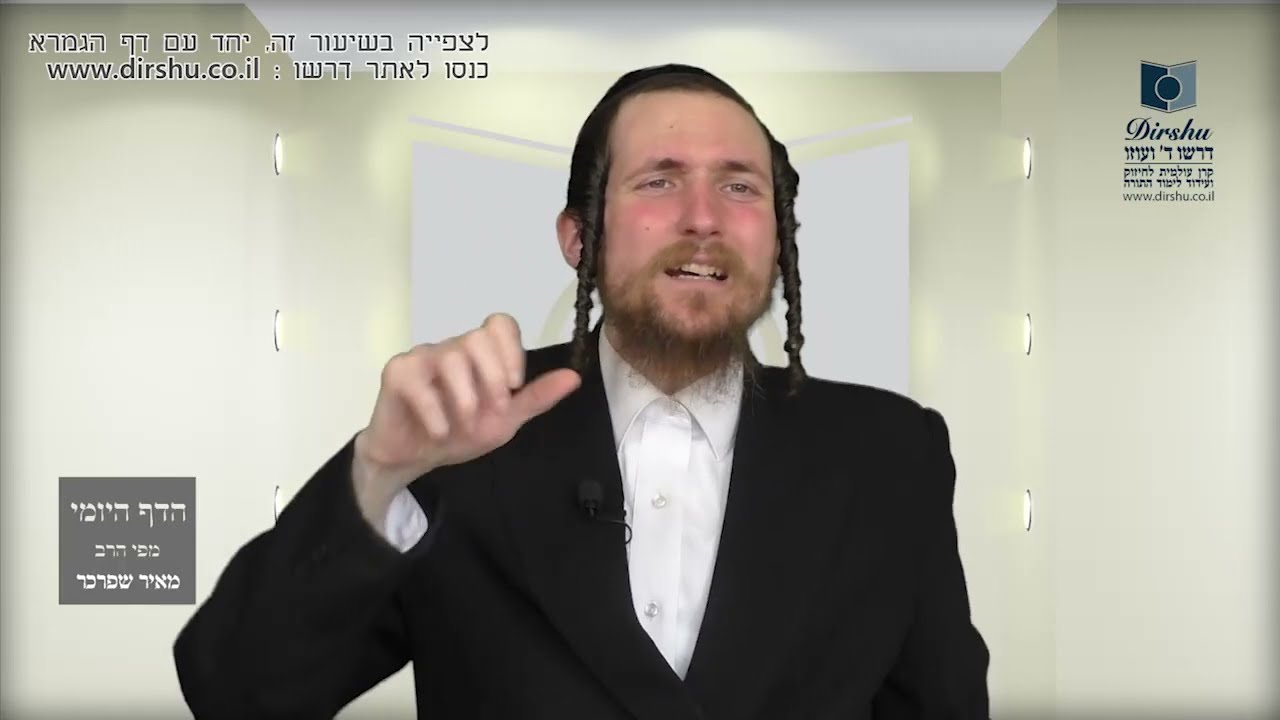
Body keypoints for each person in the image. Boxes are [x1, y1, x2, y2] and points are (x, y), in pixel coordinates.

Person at [173, 63, 990, 719]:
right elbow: (237, 692)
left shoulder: (892, 454)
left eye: (740, 186)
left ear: (779, 239)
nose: (703, 217)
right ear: (579, 238)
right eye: (659, 181)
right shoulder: (463, 425)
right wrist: (377, 476)